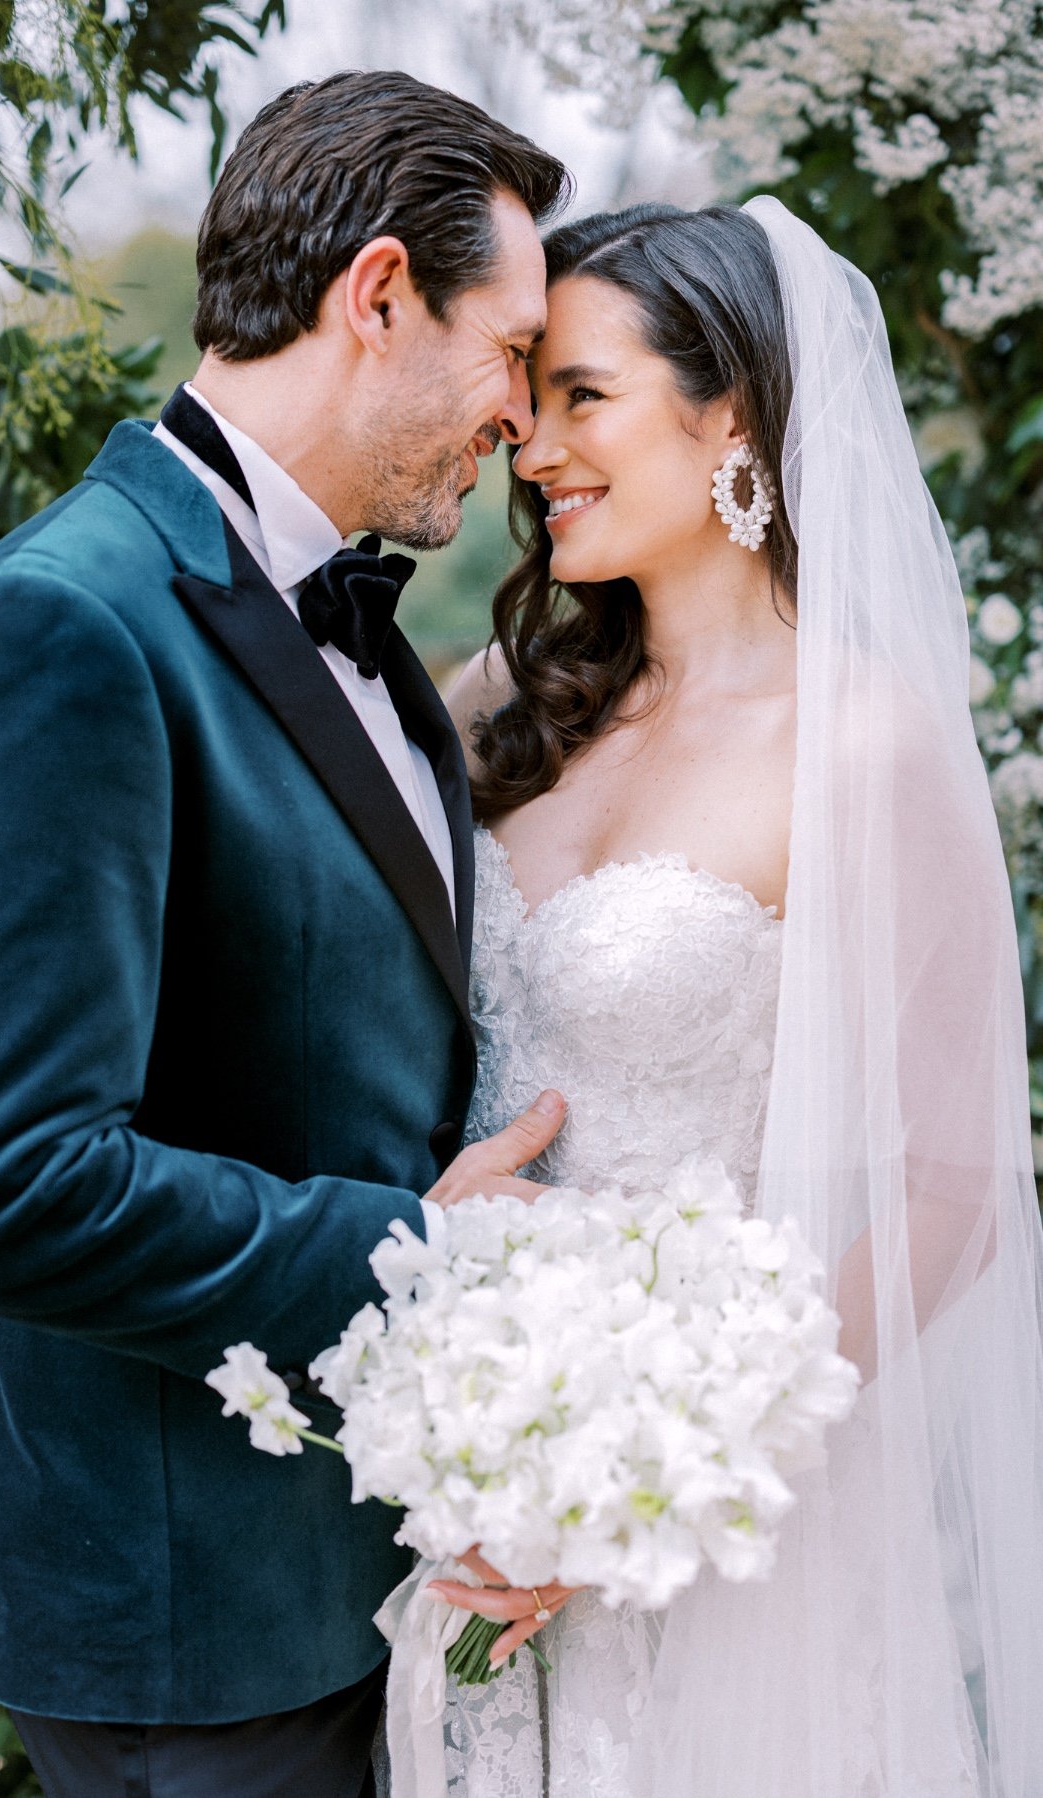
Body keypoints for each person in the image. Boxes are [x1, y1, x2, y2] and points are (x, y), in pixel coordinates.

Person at [0, 72, 573, 1798]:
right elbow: (3, 1187)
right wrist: (418, 1247)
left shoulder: (359, 629)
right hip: (188, 1633)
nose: (525, 417)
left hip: (356, 1588)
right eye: (515, 350)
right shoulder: (59, 629)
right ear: (381, 293)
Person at [423, 199, 1043, 1796]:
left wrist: (643, 1459)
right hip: (474, 1481)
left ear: (735, 416)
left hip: (715, 1507)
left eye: (583, 395)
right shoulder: (509, 699)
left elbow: (958, 1189)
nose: (530, 444)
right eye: (527, 395)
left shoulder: (861, 742)